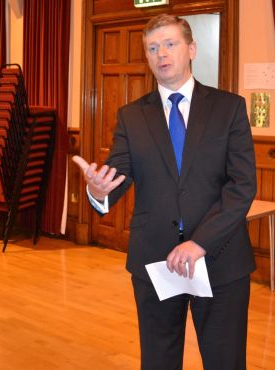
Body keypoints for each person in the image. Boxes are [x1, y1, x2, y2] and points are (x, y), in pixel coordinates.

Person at [73, 14, 256, 370]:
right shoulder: (131, 116)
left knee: (226, 361)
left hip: (220, 260)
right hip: (156, 262)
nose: (161, 54)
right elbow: (116, 177)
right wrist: (97, 191)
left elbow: (242, 185)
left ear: (191, 49)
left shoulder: (228, 107)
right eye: (152, 48)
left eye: (170, 44)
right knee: (158, 361)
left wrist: (199, 242)